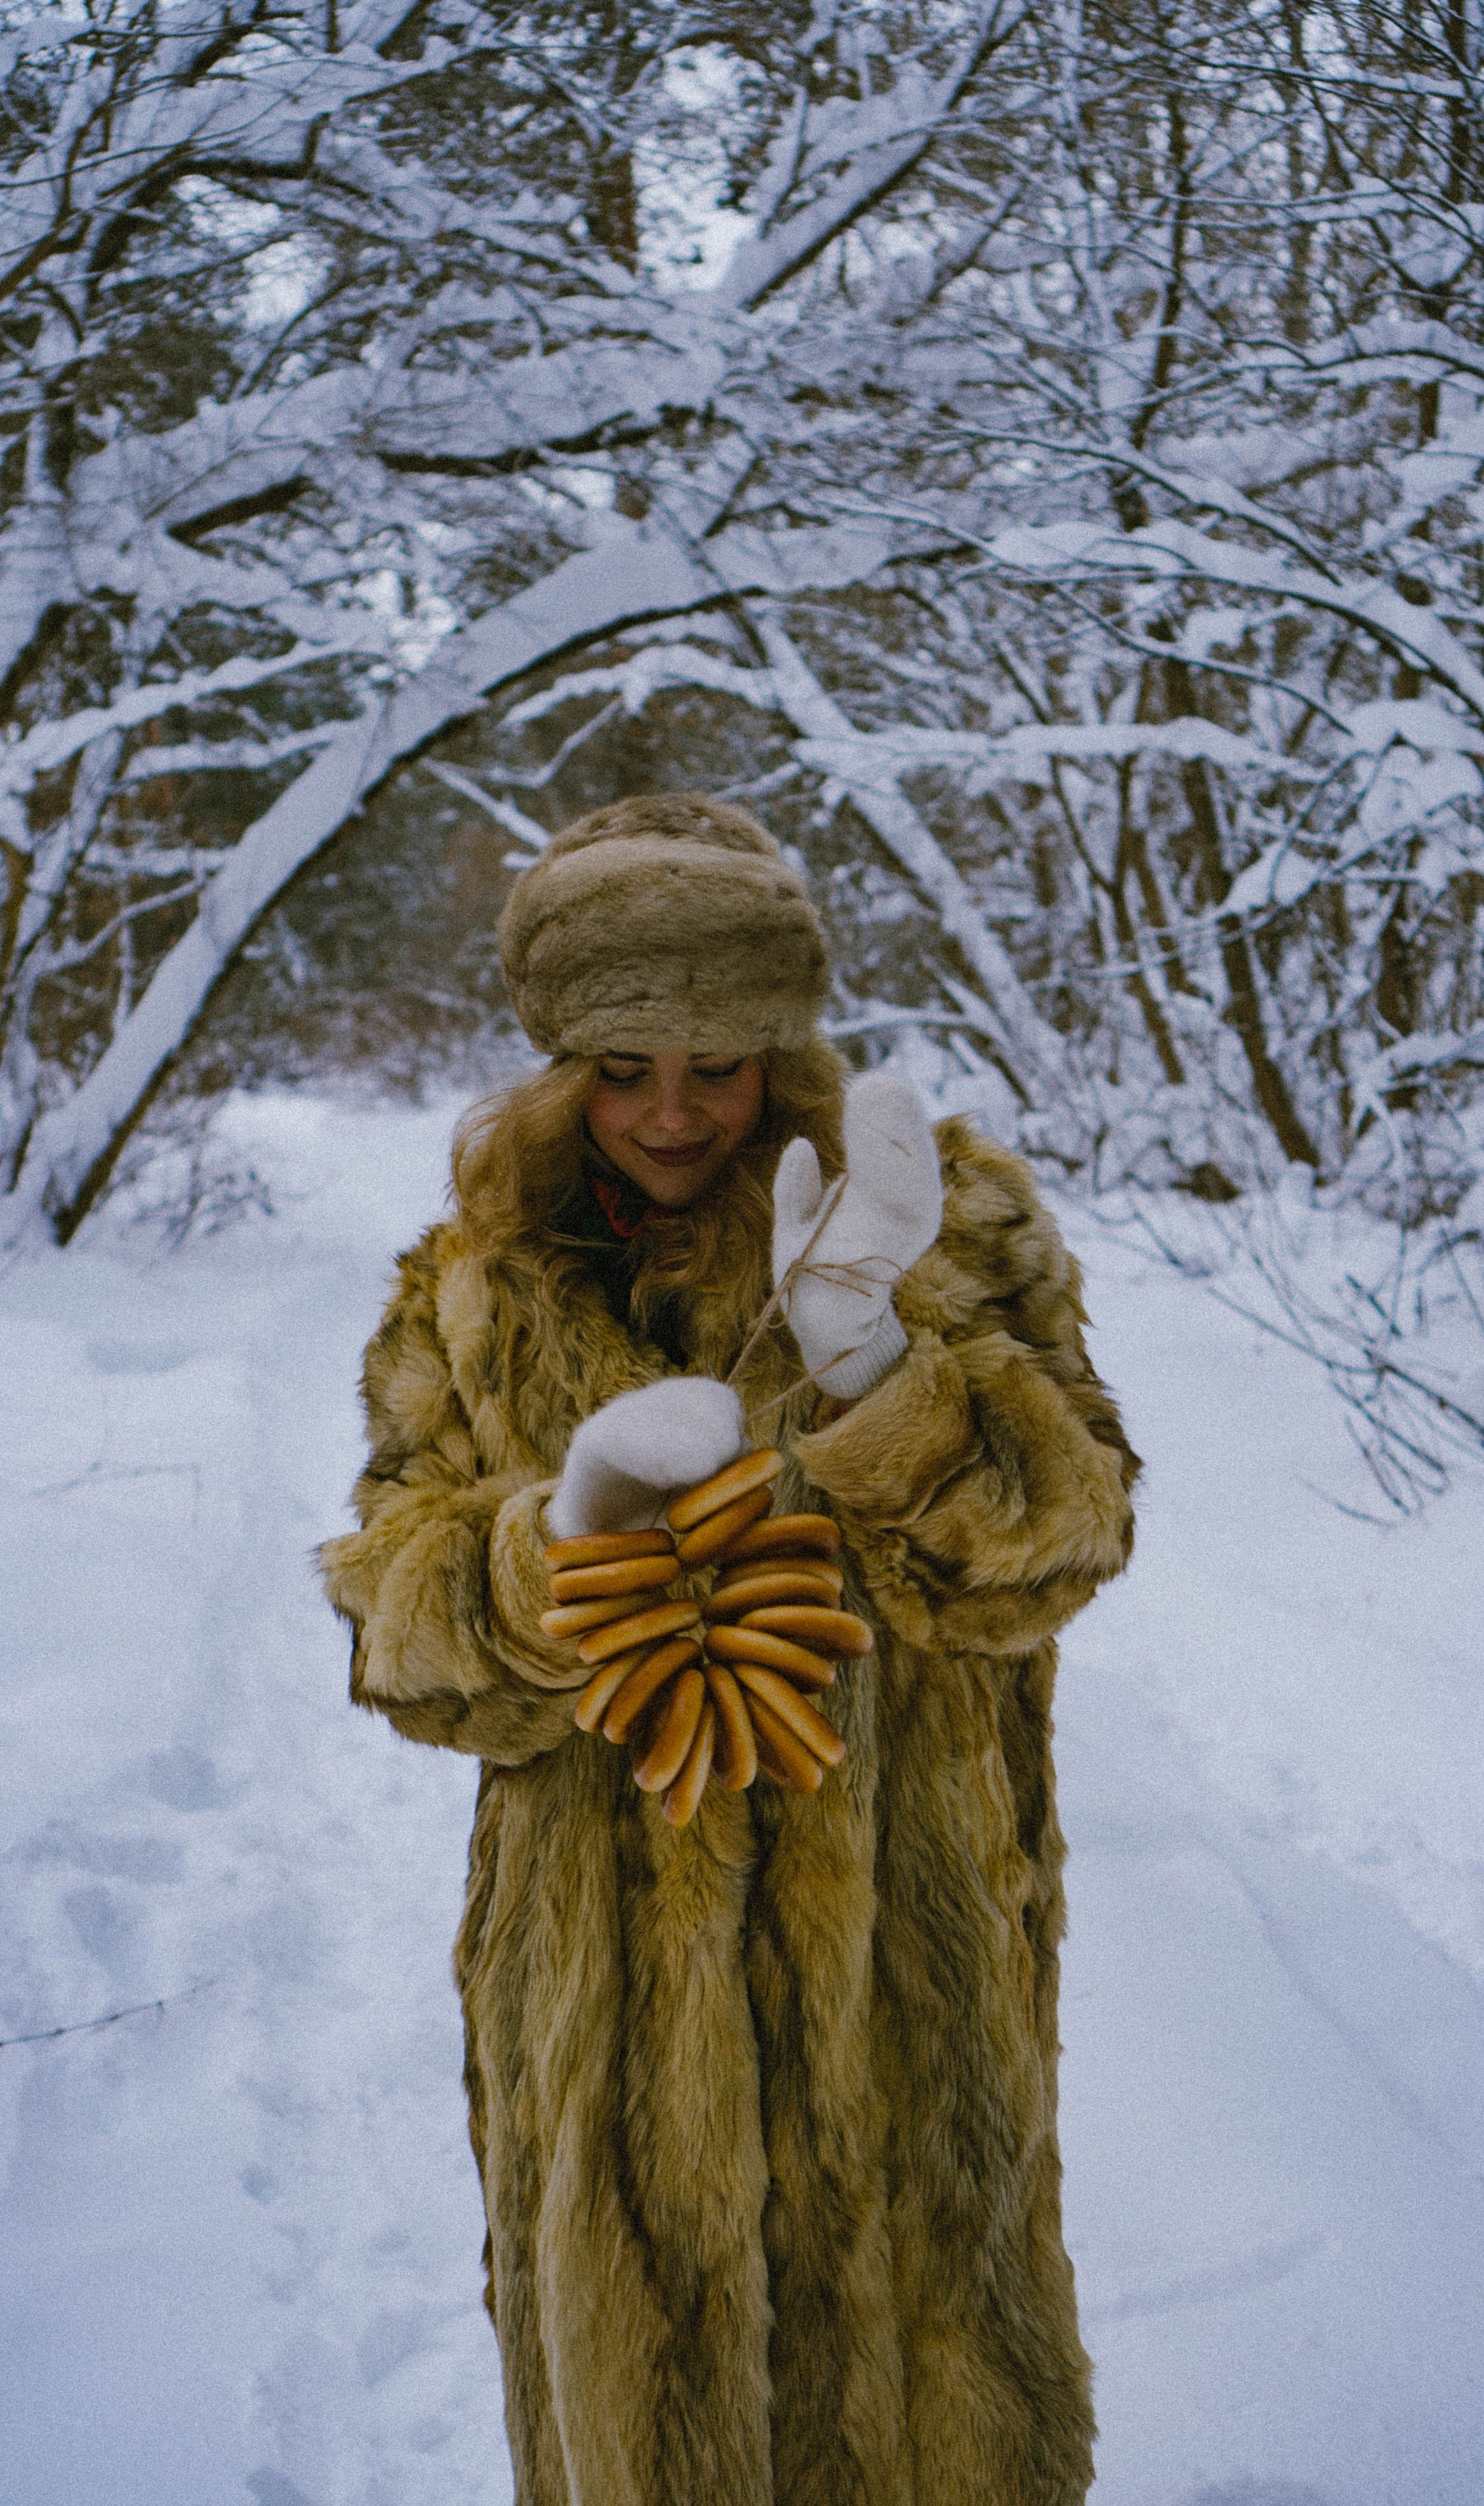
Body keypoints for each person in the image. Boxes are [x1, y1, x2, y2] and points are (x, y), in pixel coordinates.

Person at [319, 793, 1140, 2506]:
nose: (674, 1112)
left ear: (788, 1043)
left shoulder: (944, 1224)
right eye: (624, 1068)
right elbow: (400, 1635)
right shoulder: (477, 1288)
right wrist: (546, 1556)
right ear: (559, 1072)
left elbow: (1073, 1538)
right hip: (614, 2011)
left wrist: (888, 1389)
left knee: (936, 2425)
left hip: (908, 1990)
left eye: (719, 1060)